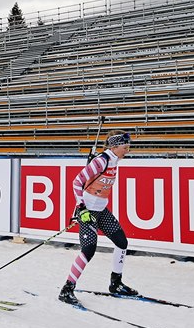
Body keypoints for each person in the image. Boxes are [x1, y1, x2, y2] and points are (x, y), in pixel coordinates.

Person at [58, 130, 138, 304]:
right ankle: (67, 288)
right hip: (88, 211)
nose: (128, 150)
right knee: (88, 250)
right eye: (125, 147)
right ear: (115, 146)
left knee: (122, 242)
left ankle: (116, 283)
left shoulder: (114, 161)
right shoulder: (102, 161)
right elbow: (77, 182)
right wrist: (81, 208)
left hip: (101, 211)